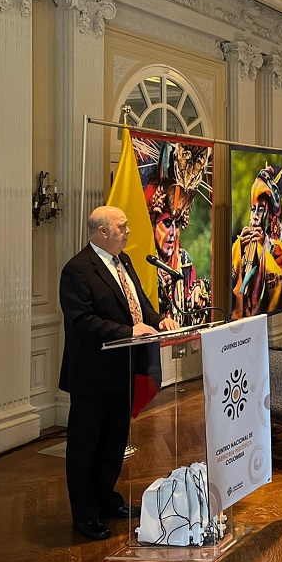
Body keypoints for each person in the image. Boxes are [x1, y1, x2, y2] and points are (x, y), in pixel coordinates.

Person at [59, 206, 177, 541]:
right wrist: (128, 332)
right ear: (102, 233)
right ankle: (84, 514)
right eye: (122, 227)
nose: (128, 232)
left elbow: (137, 304)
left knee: (113, 442)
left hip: (123, 369)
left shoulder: (123, 262)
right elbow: (81, 321)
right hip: (92, 374)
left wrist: (158, 321)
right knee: (86, 445)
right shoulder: (77, 270)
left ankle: (107, 499)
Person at [148, 179, 211, 325]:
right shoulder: (147, 262)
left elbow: (192, 293)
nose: (172, 233)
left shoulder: (183, 259)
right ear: (153, 225)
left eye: (176, 225)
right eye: (167, 223)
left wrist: (198, 291)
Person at [231, 165, 282, 318]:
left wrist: (264, 248)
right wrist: (239, 248)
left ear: (270, 213)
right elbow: (233, 282)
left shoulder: (280, 248)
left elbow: (278, 288)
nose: (255, 215)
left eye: (261, 209)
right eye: (253, 209)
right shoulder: (243, 242)